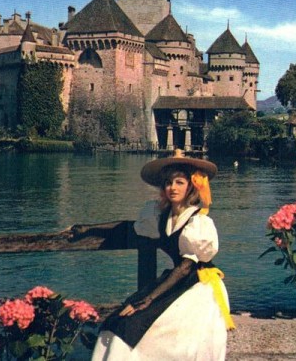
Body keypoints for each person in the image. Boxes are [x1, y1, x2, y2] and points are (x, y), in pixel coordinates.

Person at [86, 149, 234, 360]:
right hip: (176, 281)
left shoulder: (198, 221)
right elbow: (128, 229)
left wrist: (149, 299)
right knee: (117, 320)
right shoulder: (160, 216)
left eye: (179, 182)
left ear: (191, 185)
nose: (172, 188)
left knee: (137, 326)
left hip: (199, 287)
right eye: (168, 183)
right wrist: (88, 229)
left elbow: (185, 267)